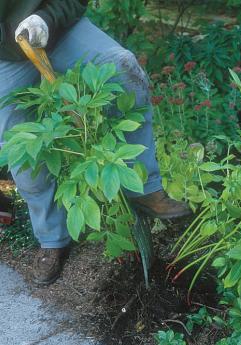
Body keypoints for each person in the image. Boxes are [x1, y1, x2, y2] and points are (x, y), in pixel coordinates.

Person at [0, 1, 190, 285]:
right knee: (21, 148)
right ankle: (52, 240)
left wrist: (45, 19)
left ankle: (144, 190)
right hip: (4, 55)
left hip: (57, 28)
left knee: (121, 65)